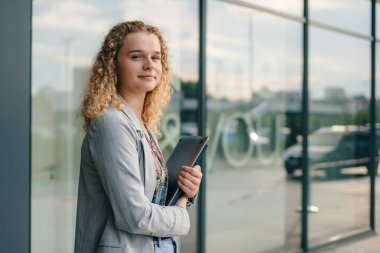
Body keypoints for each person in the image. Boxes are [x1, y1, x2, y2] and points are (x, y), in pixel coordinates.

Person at [74, 20, 203, 253]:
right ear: (114, 65)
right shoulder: (111, 124)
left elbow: (151, 200)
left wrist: (185, 190)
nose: (149, 65)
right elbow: (135, 216)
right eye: (136, 57)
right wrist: (181, 210)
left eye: (156, 57)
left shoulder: (141, 125)